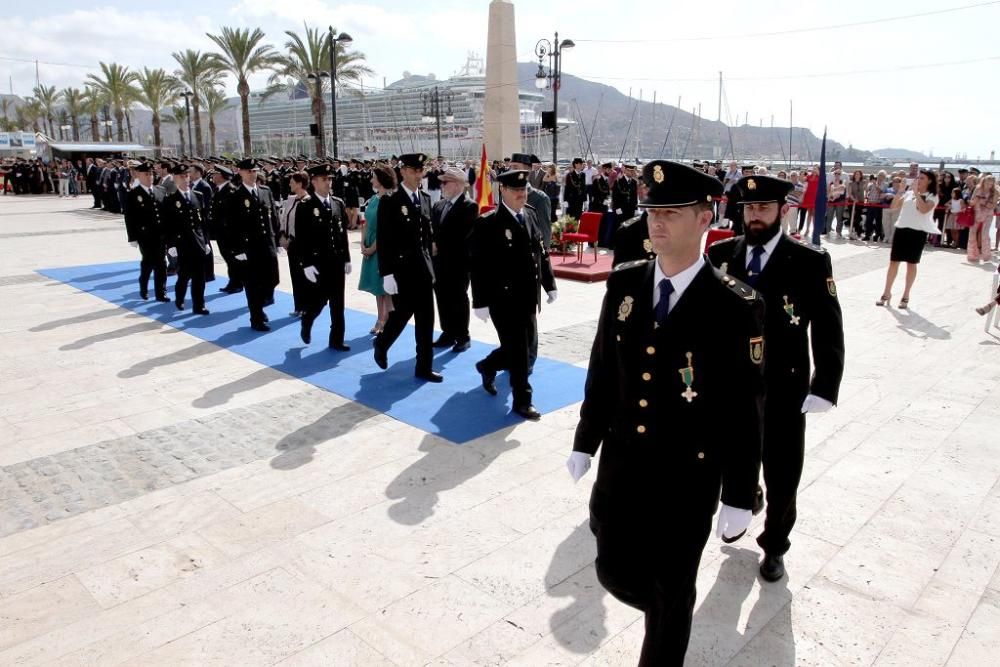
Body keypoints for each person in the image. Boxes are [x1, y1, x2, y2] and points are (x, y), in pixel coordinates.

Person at [567, 159, 764, 665]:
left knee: (670, 596)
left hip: (687, 478)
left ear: (705, 217)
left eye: (672, 212)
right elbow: (604, 368)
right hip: (622, 464)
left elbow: (745, 409)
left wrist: (739, 494)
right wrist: (585, 439)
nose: (657, 221)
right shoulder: (626, 283)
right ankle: (661, 601)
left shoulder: (735, 305)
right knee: (611, 568)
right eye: (653, 209)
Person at [707, 174, 845, 583]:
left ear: (784, 211)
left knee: (783, 471)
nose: (754, 216)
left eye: (763, 208)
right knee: (733, 455)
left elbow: (828, 325)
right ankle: (745, 495)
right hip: (732, 385)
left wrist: (825, 384)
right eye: (749, 208)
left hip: (784, 384)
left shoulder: (809, 260)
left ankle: (774, 546)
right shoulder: (720, 254)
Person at [470, 169, 557, 421]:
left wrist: (549, 284)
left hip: (528, 296)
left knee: (523, 346)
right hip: (502, 299)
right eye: (517, 190)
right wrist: (480, 302)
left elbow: (540, 253)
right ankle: (523, 400)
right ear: (503, 191)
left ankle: (487, 365)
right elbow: (478, 266)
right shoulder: (487, 223)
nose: (522, 193)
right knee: (519, 351)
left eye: (524, 189)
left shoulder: (529, 214)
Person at [373, 152, 444, 382]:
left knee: (426, 320)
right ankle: (382, 343)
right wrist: (387, 274)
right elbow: (385, 241)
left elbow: (426, 234)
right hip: (402, 270)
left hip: (424, 269)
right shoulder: (390, 201)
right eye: (414, 170)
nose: (418, 175)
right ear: (402, 171)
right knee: (402, 315)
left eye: (421, 171)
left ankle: (423, 367)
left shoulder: (424, 198)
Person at [296, 164, 352, 350]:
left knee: (338, 304)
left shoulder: (338, 203)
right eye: (324, 179)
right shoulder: (305, 205)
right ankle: (307, 319)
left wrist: (347, 258)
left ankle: (336, 339)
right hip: (317, 263)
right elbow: (301, 237)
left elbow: (342, 233)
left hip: (336, 262)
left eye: (330, 179)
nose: (328, 182)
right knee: (319, 301)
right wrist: (306, 263)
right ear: (314, 182)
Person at [227, 159, 279, 332]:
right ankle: (256, 317)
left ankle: (259, 306)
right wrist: (236, 249)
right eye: (248, 171)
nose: (252, 173)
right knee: (252, 284)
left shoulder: (266, 191)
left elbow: (273, 218)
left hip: (267, 245)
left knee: (272, 279)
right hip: (249, 248)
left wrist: (278, 240)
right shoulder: (235, 195)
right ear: (240, 172)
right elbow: (231, 225)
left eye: (254, 170)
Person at [431, 167, 478, 353]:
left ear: (458, 184)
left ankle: (462, 335)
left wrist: (438, 245)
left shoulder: (469, 206)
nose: (442, 185)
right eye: (441, 182)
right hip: (439, 262)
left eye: (446, 182)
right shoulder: (439, 206)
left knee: (458, 298)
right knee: (442, 297)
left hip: (458, 263)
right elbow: (433, 230)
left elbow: (463, 236)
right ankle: (448, 332)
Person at [877, 169, 940, 309]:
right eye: (919, 177)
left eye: (922, 178)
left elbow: (924, 210)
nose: (919, 180)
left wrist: (917, 193)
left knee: (911, 264)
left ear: (929, 180)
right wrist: (901, 190)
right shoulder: (909, 193)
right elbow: (894, 206)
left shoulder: (932, 196)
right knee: (894, 262)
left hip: (918, 232)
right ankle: (886, 292)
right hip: (902, 229)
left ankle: (906, 295)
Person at [162, 164, 211, 315]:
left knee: (199, 277)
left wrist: (206, 241)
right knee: (184, 276)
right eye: (181, 176)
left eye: (187, 176)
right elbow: (167, 224)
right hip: (181, 244)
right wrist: (170, 245)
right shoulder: (170, 199)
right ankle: (180, 298)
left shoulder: (198, 196)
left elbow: (203, 221)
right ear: (175, 179)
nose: (185, 179)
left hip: (198, 242)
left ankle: (199, 305)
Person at [124, 162, 169, 303]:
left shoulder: (160, 190)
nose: (149, 177)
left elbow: (165, 214)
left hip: (160, 235)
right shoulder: (133, 194)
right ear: (139, 175)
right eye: (146, 174)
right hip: (145, 236)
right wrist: (132, 237)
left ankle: (161, 292)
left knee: (162, 264)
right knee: (148, 263)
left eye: (151, 174)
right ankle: (144, 287)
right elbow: (129, 217)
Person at [359, 165, 395, 335]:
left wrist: (373, 248)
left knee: (384, 287)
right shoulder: (373, 199)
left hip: (383, 247)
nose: (371, 179)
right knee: (376, 287)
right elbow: (365, 222)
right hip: (369, 245)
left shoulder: (390, 200)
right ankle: (381, 316)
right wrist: (362, 244)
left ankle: (385, 318)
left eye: (373, 176)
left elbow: (387, 230)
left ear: (381, 179)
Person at [279, 171, 310, 316]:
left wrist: (291, 238)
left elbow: (306, 227)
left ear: (299, 183)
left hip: (303, 244)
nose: (290, 184)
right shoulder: (290, 199)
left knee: (304, 275)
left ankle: (307, 306)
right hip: (290, 243)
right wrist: (282, 236)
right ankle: (298, 306)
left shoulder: (309, 201)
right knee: (295, 275)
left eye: (292, 181)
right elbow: (284, 219)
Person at [210, 166, 243, 294]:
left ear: (222, 175)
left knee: (232, 258)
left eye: (215, 173)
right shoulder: (219, 190)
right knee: (228, 257)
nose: (213, 176)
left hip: (229, 233)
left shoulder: (231, 191)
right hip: (221, 232)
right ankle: (233, 281)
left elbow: (234, 215)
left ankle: (237, 283)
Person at [509, 153, 553, 247]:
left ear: (528, 170)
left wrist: (543, 256)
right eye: (510, 167)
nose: (511, 171)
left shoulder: (540, 198)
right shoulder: (507, 194)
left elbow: (545, 230)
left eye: (515, 167)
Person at [968, 175, 998, 263]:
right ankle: (973, 255)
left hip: (988, 214)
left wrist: (983, 202)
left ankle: (986, 255)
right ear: (983, 181)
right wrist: (975, 200)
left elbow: (993, 206)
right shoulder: (977, 189)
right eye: (987, 182)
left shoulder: (995, 192)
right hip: (976, 213)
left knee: (984, 234)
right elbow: (971, 203)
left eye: (991, 183)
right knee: (972, 233)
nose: (989, 184)